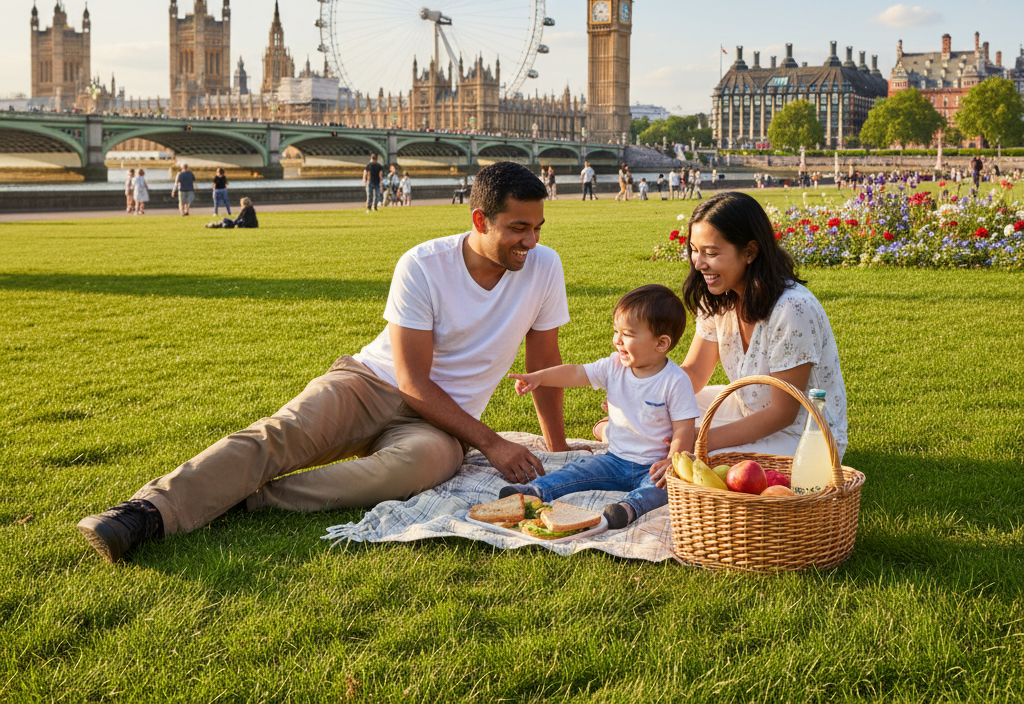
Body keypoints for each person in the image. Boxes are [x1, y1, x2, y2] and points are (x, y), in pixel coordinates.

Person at [77, 163, 573, 563]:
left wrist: (555, 447)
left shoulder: (543, 267)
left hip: (444, 426)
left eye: (537, 228)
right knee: (279, 434)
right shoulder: (423, 264)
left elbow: (544, 363)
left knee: (414, 469)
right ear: (480, 220)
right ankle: (145, 512)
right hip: (372, 384)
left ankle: (245, 497)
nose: (531, 241)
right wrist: (492, 443)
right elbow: (412, 381)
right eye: (518, 228)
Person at [651, 191, 845, 458]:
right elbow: (694, 372)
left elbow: (782, 414)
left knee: (693, 455)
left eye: (711, 253)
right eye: (695, 251)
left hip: (803, 436)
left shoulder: (791, 308)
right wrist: (641, 394)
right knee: (658, 413)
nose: (698, 263)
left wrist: (699, 439)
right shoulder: (719, 297)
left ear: (750, 252)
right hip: (745, 408)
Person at [502, 285, 698, 529]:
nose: (617, 340)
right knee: (580, 470)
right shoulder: (613, 366)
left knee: (663, 488)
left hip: (653, 467)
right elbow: (576, 373)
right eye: (616, 331)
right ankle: (535, 491)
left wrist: (672, 461)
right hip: (614, 460)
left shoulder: (675, 381)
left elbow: (684, 429)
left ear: (661, 344)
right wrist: (539, 377)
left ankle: (628, 508)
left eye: (628, 334)